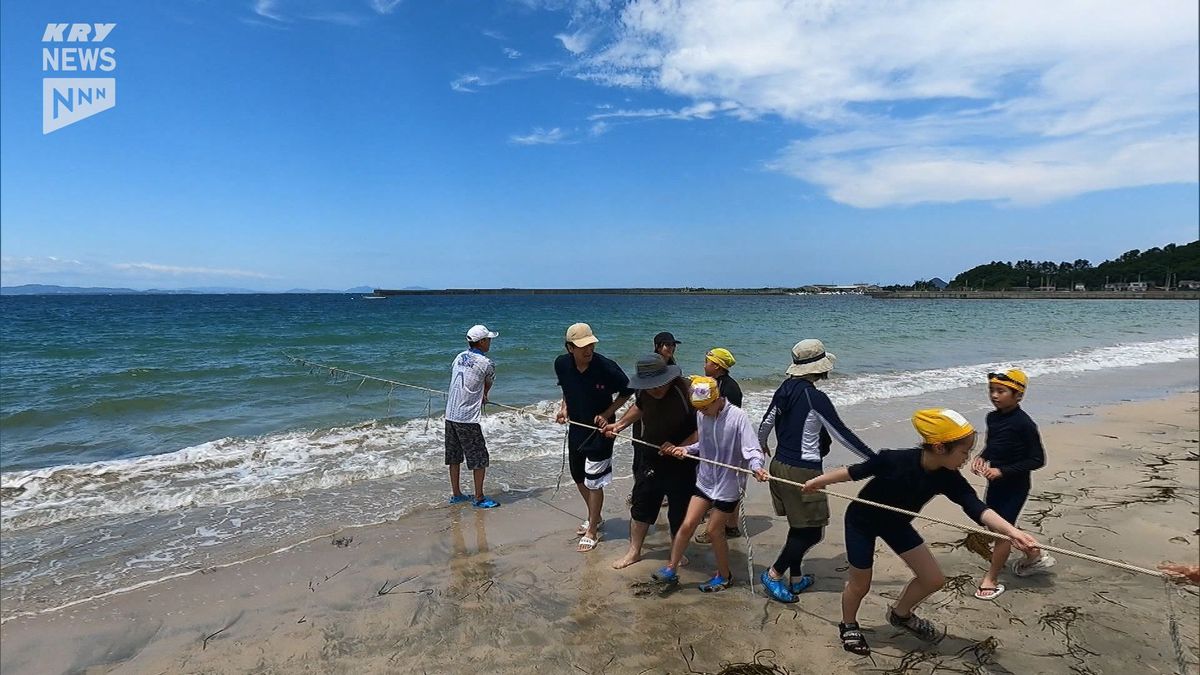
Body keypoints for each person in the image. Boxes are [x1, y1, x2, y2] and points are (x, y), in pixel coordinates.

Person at [801, 408, 1040, 656]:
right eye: (964, 451)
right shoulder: (893, 459)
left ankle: (901, 614)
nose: (967, 458)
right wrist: (818, 482)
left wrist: (1012, 532)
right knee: (860, 584)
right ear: (939, 447)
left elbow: (975, 507)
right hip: (862, 522)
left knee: (933, 579)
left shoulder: (948, 477)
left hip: (897, 525)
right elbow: (853, 472)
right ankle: (848, 624)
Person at [755, 339, 875, 603]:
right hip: (802, 471)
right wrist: (875, 460)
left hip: (779, 466)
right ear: (820, 367)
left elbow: (765, 423)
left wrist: (762, 446)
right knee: (811, 531)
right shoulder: (815, 397)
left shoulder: (784, 388)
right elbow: (842, 434)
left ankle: (796, 579)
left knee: (798, 526)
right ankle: (774, 574)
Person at [652, 377, 769, 592]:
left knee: (715, 531)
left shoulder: (738, 417)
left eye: (706, 407)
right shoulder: (701, 415)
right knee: (687, 524)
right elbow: (702, 444)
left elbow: (751, 448)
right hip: (705, 480)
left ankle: (724, 576)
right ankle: (671, 568)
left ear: (717, 399)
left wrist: (757, 467)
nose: (703, 411)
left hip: (728, 484)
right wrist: (685, 450)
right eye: (700, 408)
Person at [605, 354, 699, 569]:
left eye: (658, 385)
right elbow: (640, 407)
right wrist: (619, 425)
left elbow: (703, 428)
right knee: (642, 503)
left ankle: (677, 551)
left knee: (679, 508)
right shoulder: (644, 391)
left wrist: (681, 447)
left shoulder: (686, 391)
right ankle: (634, 551)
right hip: (651, 454)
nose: (654, 390)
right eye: (649, 386)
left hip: (682, 458)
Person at [972, 369, 1055, 601]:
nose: (995, 395)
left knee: (1003, 534)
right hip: (995, 484)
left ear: (1018, 395)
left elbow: (1038, 460)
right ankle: (1035, 555)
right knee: (994, 525)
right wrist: (983, 455)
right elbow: (996, 443)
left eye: (1001, 391)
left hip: (1015, 486)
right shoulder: (992, 417)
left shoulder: (1024, 424)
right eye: (991, 390)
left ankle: (991, 579)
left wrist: (1002, 470)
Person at [554, 323, 633, 553]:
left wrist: (607, 414)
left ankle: (592, 530)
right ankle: (595, 516)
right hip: (577, 426)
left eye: (591, 345)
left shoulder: (606, 367)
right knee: (578, 475)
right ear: (570, 348)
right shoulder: (561, 364)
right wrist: (564, 408)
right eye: (582, 347)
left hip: (602, 430)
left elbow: (628, 390)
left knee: (594, 480)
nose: (588, 350)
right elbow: (566, 388)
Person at [444, 324, 500, 509]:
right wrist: (484, 396)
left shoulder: (459, 356)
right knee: (479, 458)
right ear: (482, 341)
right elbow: (487, 384)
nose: (490, 342)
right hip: (467, 417)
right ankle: (479, 497)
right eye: (488, 339)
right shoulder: (487, 363)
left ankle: (457, 494)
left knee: (454, 456)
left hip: (450, 414)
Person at [694, 347, 744, 544]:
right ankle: (730, 525)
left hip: (726, 443)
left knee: (722, 485)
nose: (704, 365)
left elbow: (726, 419)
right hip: (724, 442)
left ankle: (718, 527)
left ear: (716, 366)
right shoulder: (722, 384)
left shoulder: (727, 388)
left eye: (707, 361)